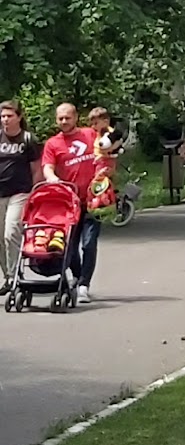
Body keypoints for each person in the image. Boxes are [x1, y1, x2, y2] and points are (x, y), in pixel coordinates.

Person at [40, 102, 109, 302]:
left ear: (76, 117)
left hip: (94, 199)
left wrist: (107, 170)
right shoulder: (53, 143)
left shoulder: (90, 134)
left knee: (89, 243)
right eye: (60, 118)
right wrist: (51, 178)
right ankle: (78, 277)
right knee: (69, 246)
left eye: (67, 118)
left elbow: (109, 150)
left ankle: (84, 285)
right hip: (69, 202)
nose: (63, 121)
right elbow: (47, 167)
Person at [0, 100, 40, 294]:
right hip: (0, 194)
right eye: (3, 116)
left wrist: (34, 193)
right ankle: (9, 277)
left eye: (9, 116)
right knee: (0, 237)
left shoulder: (27, 139)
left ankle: (16, 277)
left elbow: (36, 169)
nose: (6, 120)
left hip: (20, 193)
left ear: (19, 117)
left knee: (11, 232)